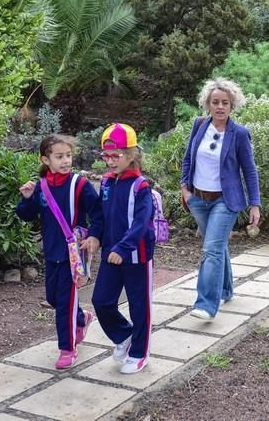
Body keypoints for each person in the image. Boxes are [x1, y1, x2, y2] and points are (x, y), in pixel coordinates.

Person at [16, 134, 102, 369]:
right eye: (59, 156)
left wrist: (94, 235)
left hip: (73, 254)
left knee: (64, 302)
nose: (65, 161)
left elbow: (97, 212)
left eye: (68, 155)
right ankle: (82, 318)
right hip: (51, 251)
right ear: (45, 159)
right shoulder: (41, 187)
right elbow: (26, 215)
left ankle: (67, 348)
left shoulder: (80, 184)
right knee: (54, 299)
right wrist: (25, 199)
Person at [181, 79, 261, 321]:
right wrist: (185, 188)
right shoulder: (199, 125)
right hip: (198, 199)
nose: (220, 107)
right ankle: (225, 289)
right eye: (215, 102)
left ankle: (206, 304)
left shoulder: (239, 134)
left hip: (225, 202)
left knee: (212, 250)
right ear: (207, 103)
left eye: (225, 103)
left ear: (232, 105)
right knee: (217, 247)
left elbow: (250, 170)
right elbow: (188, 159)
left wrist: (255, 203)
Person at [91, 123, 156, 374]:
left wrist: (123, 247)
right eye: (105, 156)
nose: (110, 161)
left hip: (136, 255)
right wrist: (94, 236)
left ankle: (140, 352)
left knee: (140, 305)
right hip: (111, 254)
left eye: (115, 155)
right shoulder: (106, 183)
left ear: (131, 155)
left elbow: (141, 223)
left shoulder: (141, 187)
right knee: (101, 301)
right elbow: (99, 217)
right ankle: (124, 335)